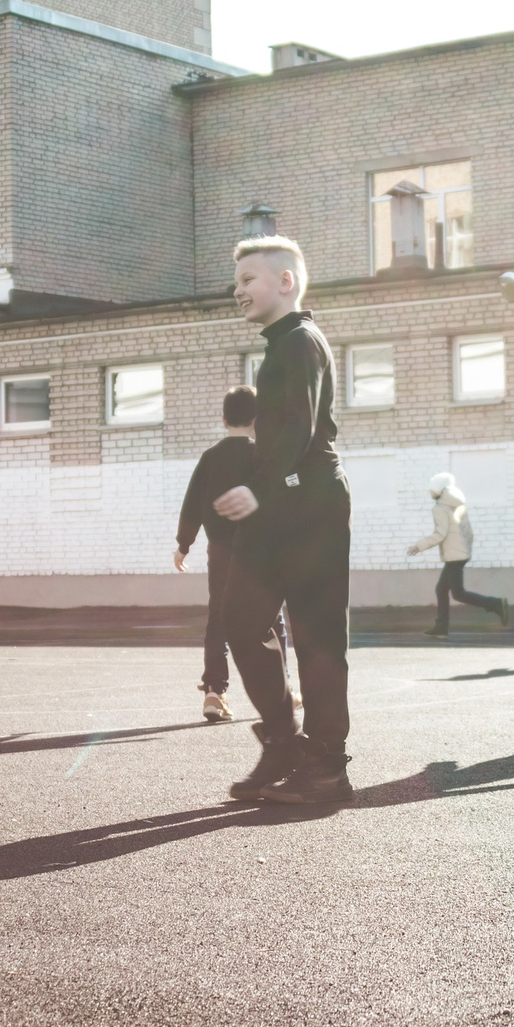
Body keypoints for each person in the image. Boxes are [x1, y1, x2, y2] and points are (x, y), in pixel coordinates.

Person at [214, 235, 355, 804]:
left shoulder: (300, 342)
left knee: (318, 640)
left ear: (286, 282)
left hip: (313, 505)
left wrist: (256, 487)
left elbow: (298, 426)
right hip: (280, 503)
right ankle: (282, 742)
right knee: (240, 620)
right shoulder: (279, 346)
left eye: (248, 280)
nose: (238, 290)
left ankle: (327, 770)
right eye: (237, 281)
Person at [176, 384, 267, 722]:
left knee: (218, 619)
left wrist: (183, 545)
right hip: (260, 552)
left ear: (223, 418)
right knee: (271, 619)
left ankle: (214, 692)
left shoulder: (210, 457)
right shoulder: (263, 456)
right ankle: (281, 690)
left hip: (221, 552)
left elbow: (192, 504)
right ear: (257, 419)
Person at [409, 472, 508, 638]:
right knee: (441, 589)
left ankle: (495, 604)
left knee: (458, 594)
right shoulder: (457, 505)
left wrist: (418, 546)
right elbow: (469, 531)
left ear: (438, 489)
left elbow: (440, 534)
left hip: (454, 556)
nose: (429, 491)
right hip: (460, 554)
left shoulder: (439, 508)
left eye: (431, 488)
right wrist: (466, 550)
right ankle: (441, 627)